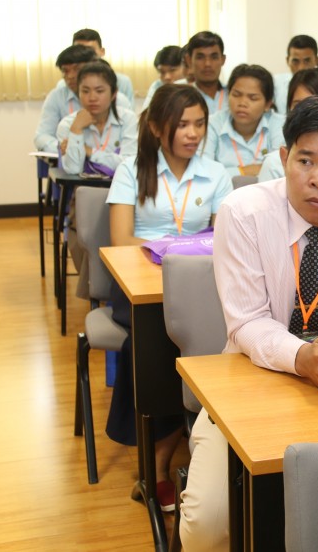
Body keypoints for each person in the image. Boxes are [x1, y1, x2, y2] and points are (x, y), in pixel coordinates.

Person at [179, 95, 318, 551]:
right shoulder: (243, 213)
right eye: (305, 161)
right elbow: (247, 322)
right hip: (250, 379)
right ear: (284, 159)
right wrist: (302, 358)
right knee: (207, 526)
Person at [105, 83, 233, 512]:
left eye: (200, 124)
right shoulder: (131, 170)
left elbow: (224, 238)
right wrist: (173, 247)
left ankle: (199, 454)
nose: (193, 133)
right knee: (155, 345)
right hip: (138, 281)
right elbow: (121, 239)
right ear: (159, 128)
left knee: (204, 343)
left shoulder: (215, 173)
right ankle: (157, 468)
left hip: (195, 281)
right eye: (182, 125)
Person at [202, 64, 285, 177]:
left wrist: (228, 172)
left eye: (253, 98)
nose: (242, 103)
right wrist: (245, 171)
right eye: (236, 95)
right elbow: (204, 171)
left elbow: (280, 168)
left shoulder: (279, 124)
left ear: (267, 104)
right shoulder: (212, 124)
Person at [55, 62, 138, 175]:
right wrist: (76, 129)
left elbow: (130, 165)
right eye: (85, 91)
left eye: (99, 91)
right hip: (82, 186)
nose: (92, 98)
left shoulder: (128, 120)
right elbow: (73, 170)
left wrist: (88, 150)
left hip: (121, 184)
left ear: (114, 94)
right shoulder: (67, 125)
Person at [33, 44, 99, 152]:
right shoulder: (56, 97)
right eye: (65, 71)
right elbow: (41, 136)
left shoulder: (116, 99)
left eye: (77, 69)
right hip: (68, 157)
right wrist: (62, 147)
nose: (70, 76)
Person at [65, 28, 135, 106]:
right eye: (79, 51)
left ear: (102, 52)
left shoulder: (122, 82)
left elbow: (128, 111)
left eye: (90, 51)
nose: (85, 56)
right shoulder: (65, 84)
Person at [272, 34, 318, 114]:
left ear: (317, 60)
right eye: (295, 61)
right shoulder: (275, 84)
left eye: (307, 61)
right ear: (287, 60)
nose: (301, 67)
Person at [186, 31, 227, 113]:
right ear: (189, 60)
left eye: (214, 57)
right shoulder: (182, 97)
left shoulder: (234, 95)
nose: (207, 64)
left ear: (223, 60)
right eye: (200, 57)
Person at [142, 45, 184, 111]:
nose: (167, 77)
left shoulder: (192, 85)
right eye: (162, 72)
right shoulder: (157, 85)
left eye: (172, 70)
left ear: (185, 67)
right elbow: (146, 112)